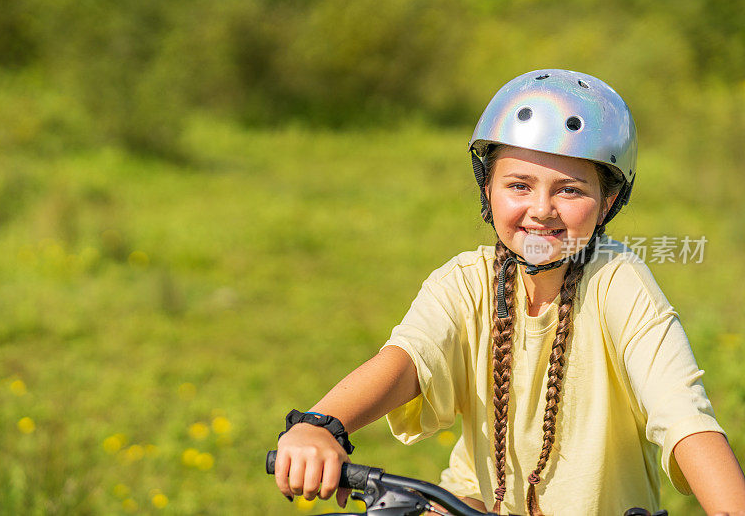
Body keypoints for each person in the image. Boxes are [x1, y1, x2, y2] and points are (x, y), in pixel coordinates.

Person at [272, 69, 745, 515]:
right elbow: (407, 360)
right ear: (487, 189)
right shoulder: (465, 283)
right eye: (519, 185)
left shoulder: (617, 281)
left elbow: (683, 415)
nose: (541, 210)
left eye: (570, 190)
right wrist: (321, 425)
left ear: (608, 201)